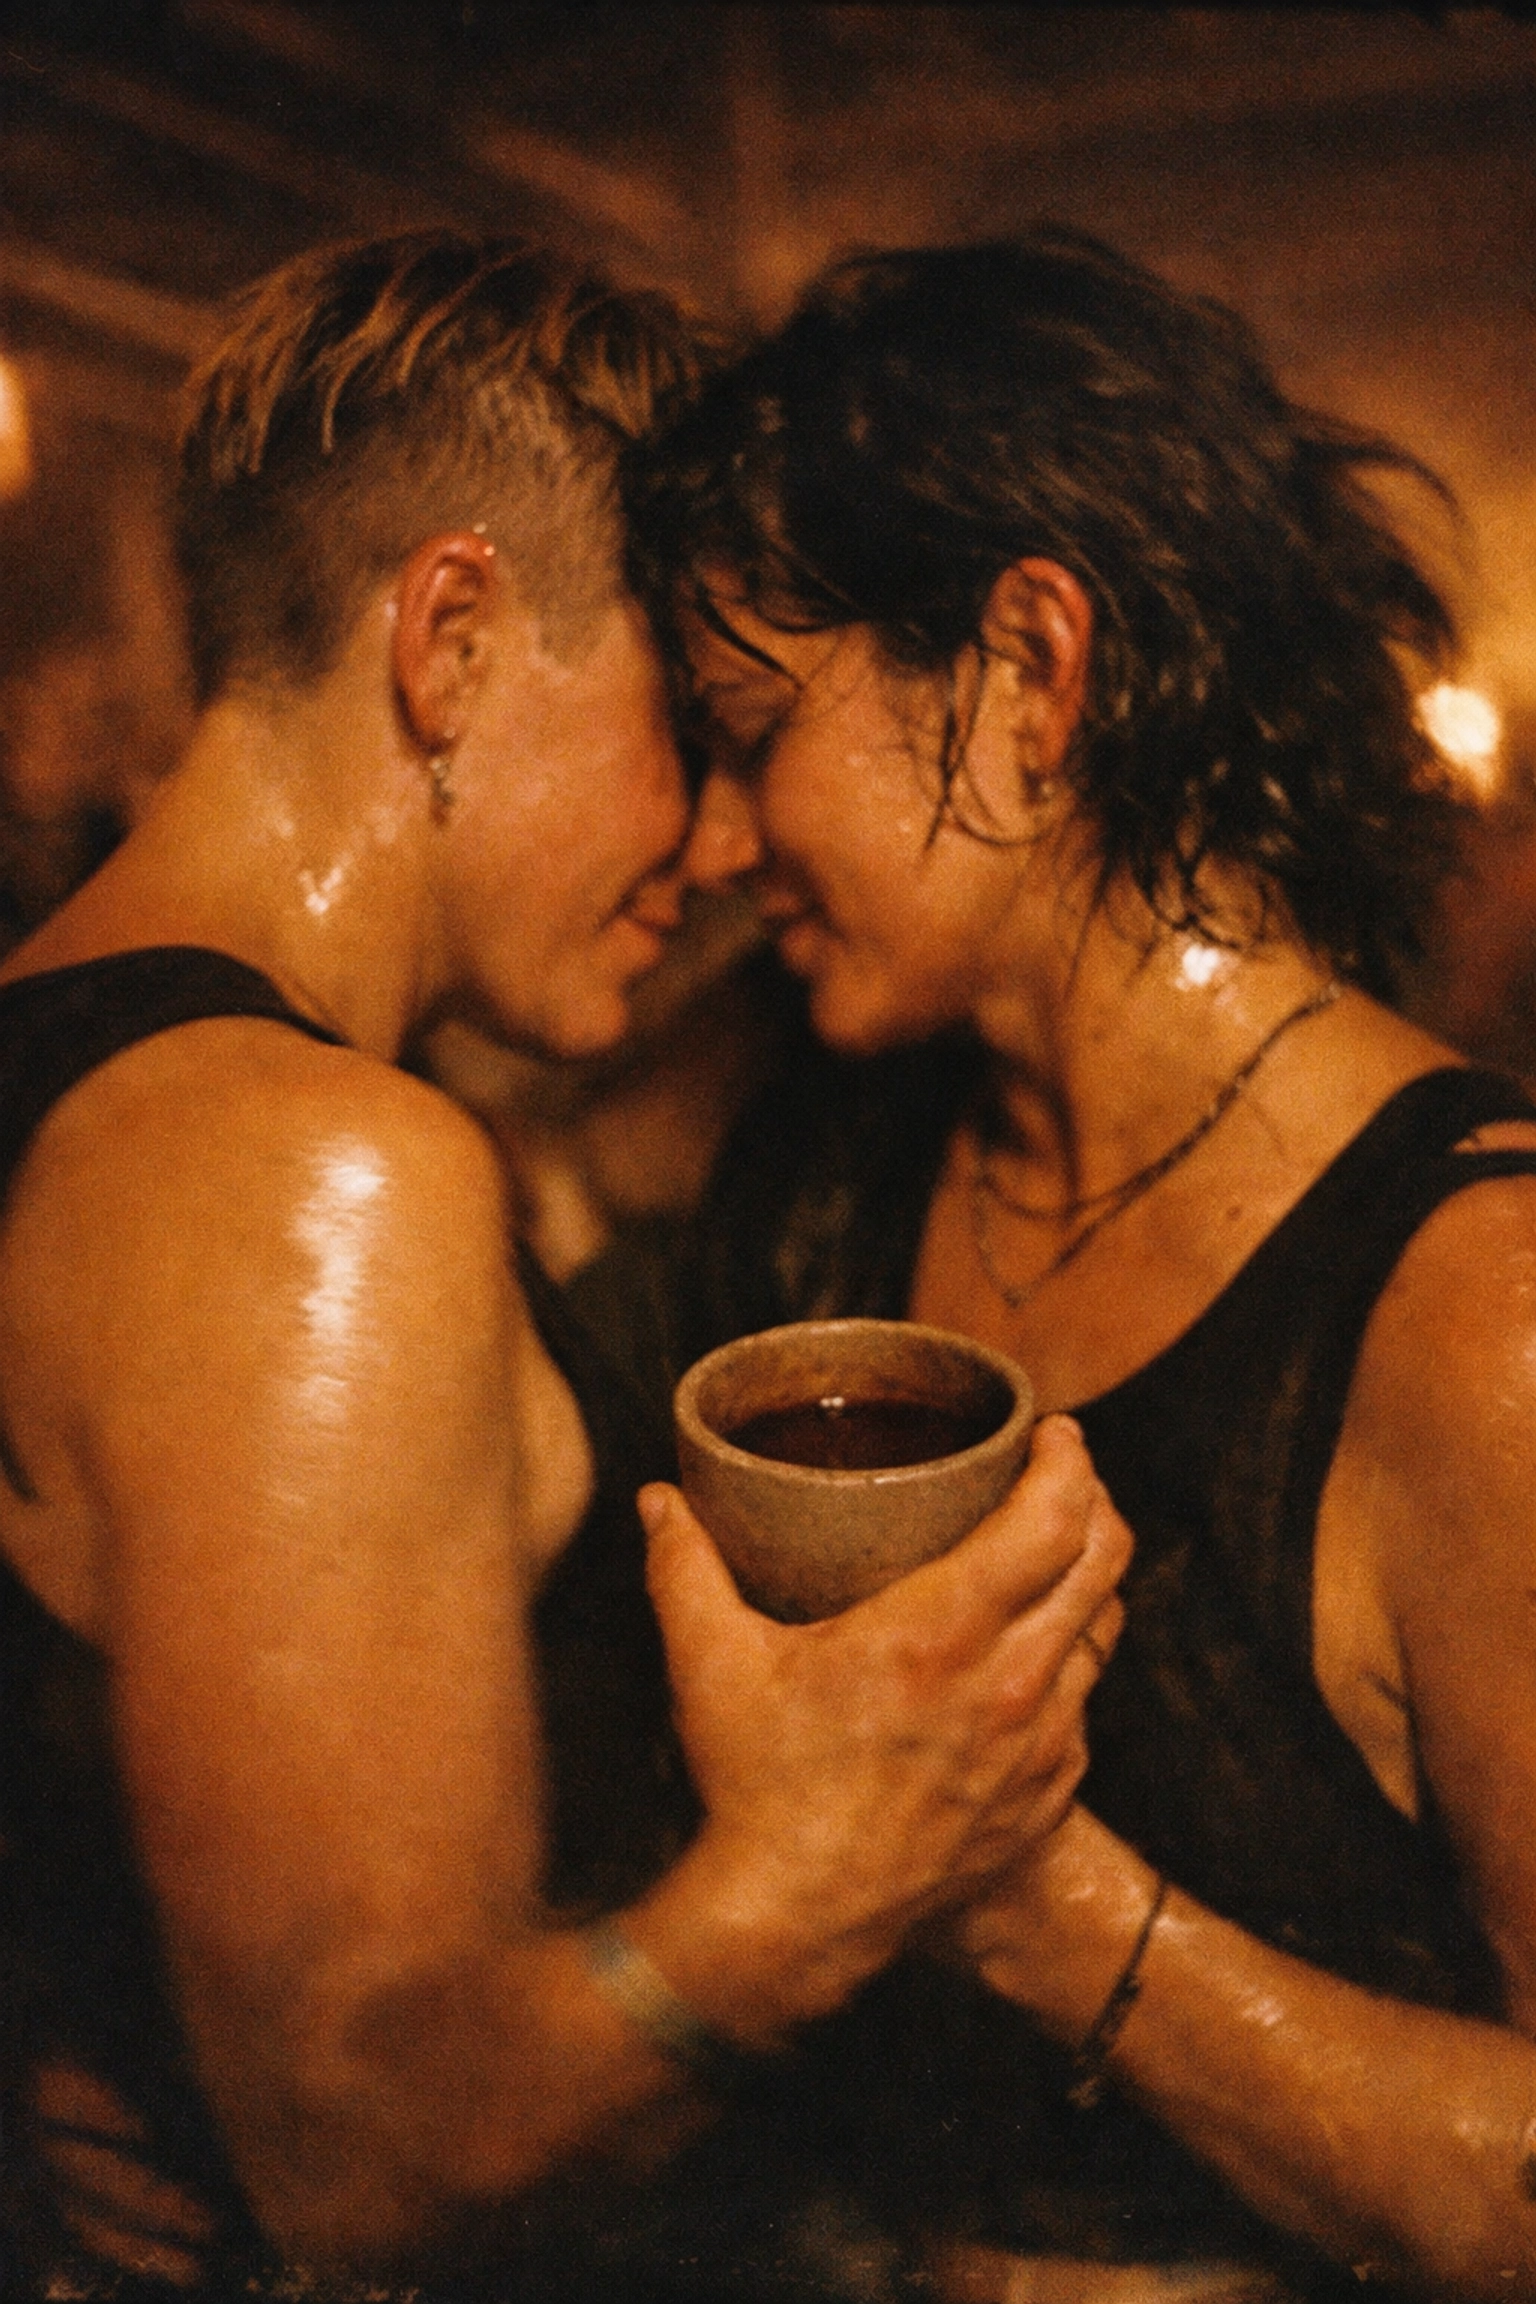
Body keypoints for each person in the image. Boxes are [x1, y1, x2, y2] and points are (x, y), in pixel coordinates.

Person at [0, 231, 1130, 2300]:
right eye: (692, 725)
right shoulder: (312, 1176)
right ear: (450, 637)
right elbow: (360, 2136)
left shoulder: (65, 1063)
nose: (720, 843)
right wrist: (823, 1871)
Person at [605, 230, 1536, 2301]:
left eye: (756, 727)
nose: (721, 844)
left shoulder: (1476, 1314)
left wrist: (1027, 1895)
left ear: (1030, 673)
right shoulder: (823, 1184)